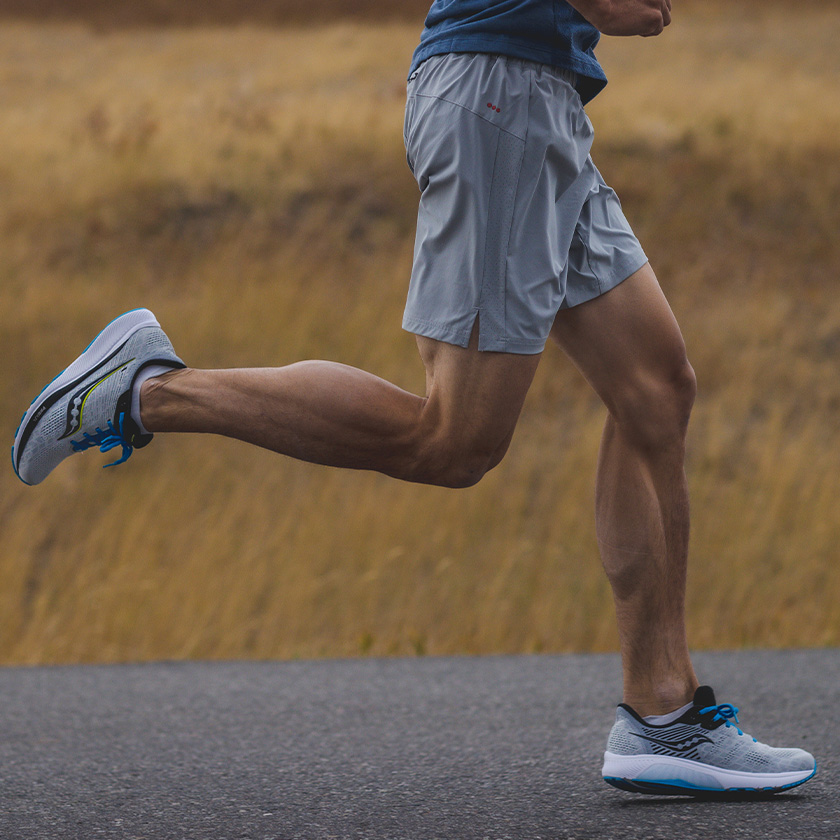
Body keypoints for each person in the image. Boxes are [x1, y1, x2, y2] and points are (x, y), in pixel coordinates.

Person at [12, 0, 816, 796]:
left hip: (541, 101)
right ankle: (149, 391)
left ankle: (662, 714)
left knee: (655, 391)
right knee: (452, 441)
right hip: (499, 102)